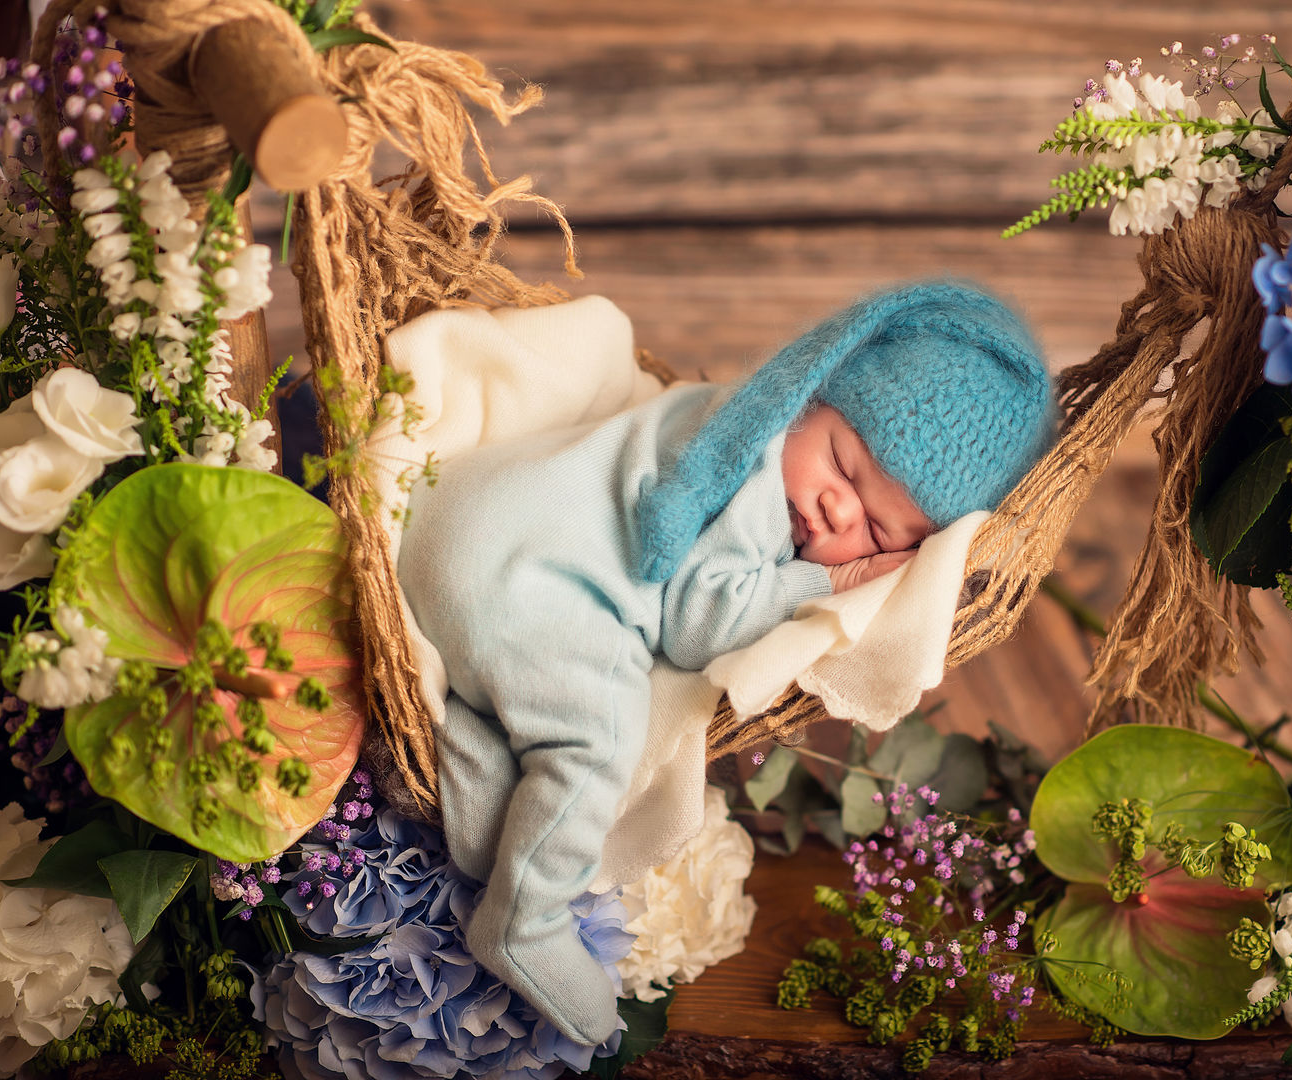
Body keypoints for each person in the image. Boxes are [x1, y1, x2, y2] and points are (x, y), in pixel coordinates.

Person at [397, 280, 1056, 1045]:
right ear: (809, 395)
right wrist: (828, 578)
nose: (838, 511)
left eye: (875, 531)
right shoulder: (752, 474)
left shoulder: (718, 412)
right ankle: (525, 920)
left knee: (491, 818)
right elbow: (695, 627)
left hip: (446, 538)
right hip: (533, 589)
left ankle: (466, 778)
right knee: (598, 744)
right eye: (843, 464)